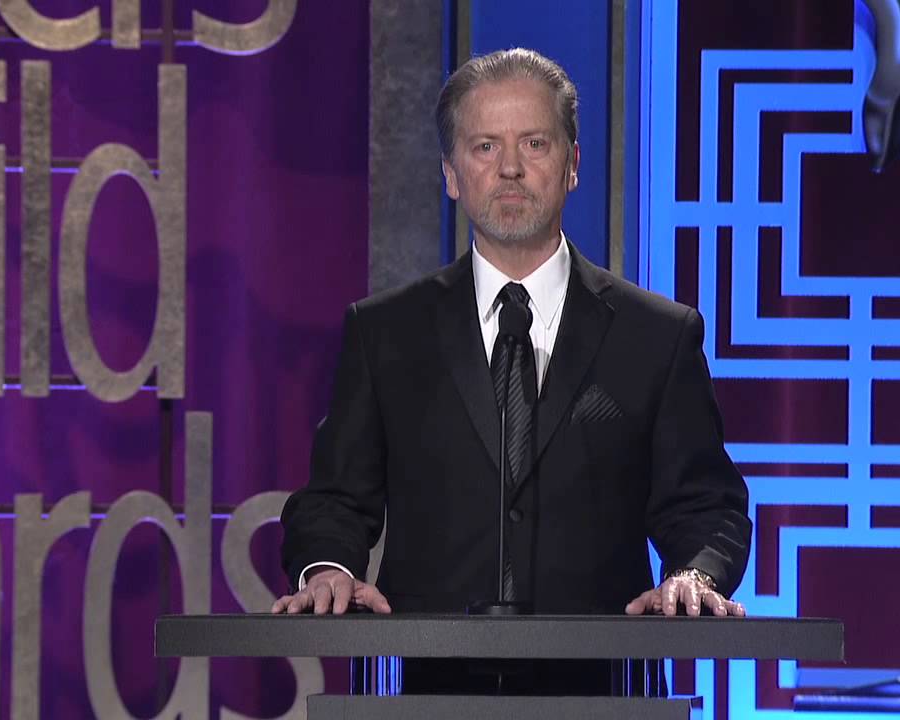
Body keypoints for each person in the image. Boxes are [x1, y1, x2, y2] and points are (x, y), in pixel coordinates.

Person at [271, 48, 752, 693]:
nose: (511, 169)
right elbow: (334, 498)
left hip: (602, 694)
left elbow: (706, 503)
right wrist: (326, 569)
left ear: (573, 163)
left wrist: (696, 576)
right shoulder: (385, 333)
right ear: (450, 173)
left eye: (534, 142)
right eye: (484, 147)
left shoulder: (658, 336)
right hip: (430, 696)